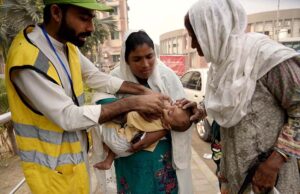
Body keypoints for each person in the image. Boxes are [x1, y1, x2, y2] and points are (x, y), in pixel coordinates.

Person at [4, 1, 169, 194]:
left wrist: (144, 92)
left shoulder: (67, 46)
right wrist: (132, 104)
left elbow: (96, 77)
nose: (91, 27)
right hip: (50, 177)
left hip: (75, 165)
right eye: (84, 18)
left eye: (91, 18)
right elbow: (68, 116)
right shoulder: (27, 60)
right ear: (56, 12)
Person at [181, 0, 300, 193]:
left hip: (272, 180)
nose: (193, 44)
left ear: (215, 29)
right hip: (235, 178)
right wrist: (201, 109)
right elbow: (225, 101)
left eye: (195, 35)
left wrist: (275, 161)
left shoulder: (265, 57)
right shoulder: (221, 66)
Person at [105, 30, 194, 194]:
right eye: (137, 59)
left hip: (161, 157)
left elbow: (183, 120)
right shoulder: (115, 79)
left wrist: (152, 136)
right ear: (126, 60)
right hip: (128, 157)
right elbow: (104, 113)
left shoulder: (168, 77)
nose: (145, 64)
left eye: (149, 56)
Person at [91, 92, 192, 170]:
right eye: (173, 105)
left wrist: (132, 108)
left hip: (121, 143)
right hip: (125, 149)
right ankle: (109, 160)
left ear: (167, 125)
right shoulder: (162, 125)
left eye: (169, 112)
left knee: (109, 123)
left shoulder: (155, 120)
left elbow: (132, 118)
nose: (167, 108)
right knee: (124, 133)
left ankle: (105, 144)